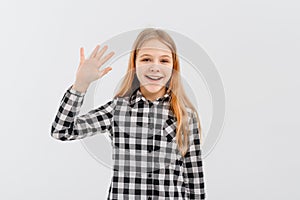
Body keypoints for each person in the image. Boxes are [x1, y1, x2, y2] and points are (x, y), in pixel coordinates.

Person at [51, 28, 206, 199]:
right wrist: (80, 84)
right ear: (134, 64)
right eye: (146, 59)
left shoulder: (186, 116)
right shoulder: (117, 110)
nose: (155, 67)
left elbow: (194, 178)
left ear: (173, 67)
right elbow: (61, 131)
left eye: (164, 60)